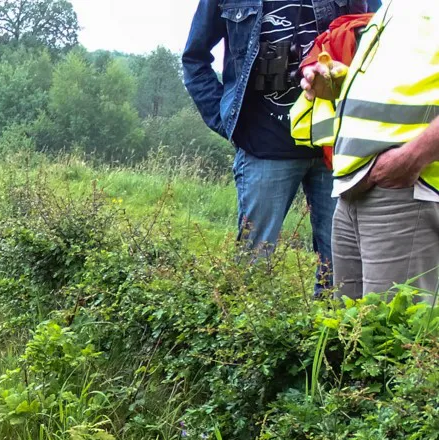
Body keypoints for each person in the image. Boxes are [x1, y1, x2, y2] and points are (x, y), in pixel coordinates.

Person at [183, 0, 379, 278]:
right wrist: (226, 120)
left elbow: (380, 42)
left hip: (335, 147)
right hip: (263, 146)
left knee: (342, 274)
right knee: (252, 273)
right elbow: (194, 58)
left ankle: (332, 323)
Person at [301, 1, 439, 300]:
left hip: (407, 187)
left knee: (393, 336)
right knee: (352, 332)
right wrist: (339, 83)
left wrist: (412, 157)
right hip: (357, 183)